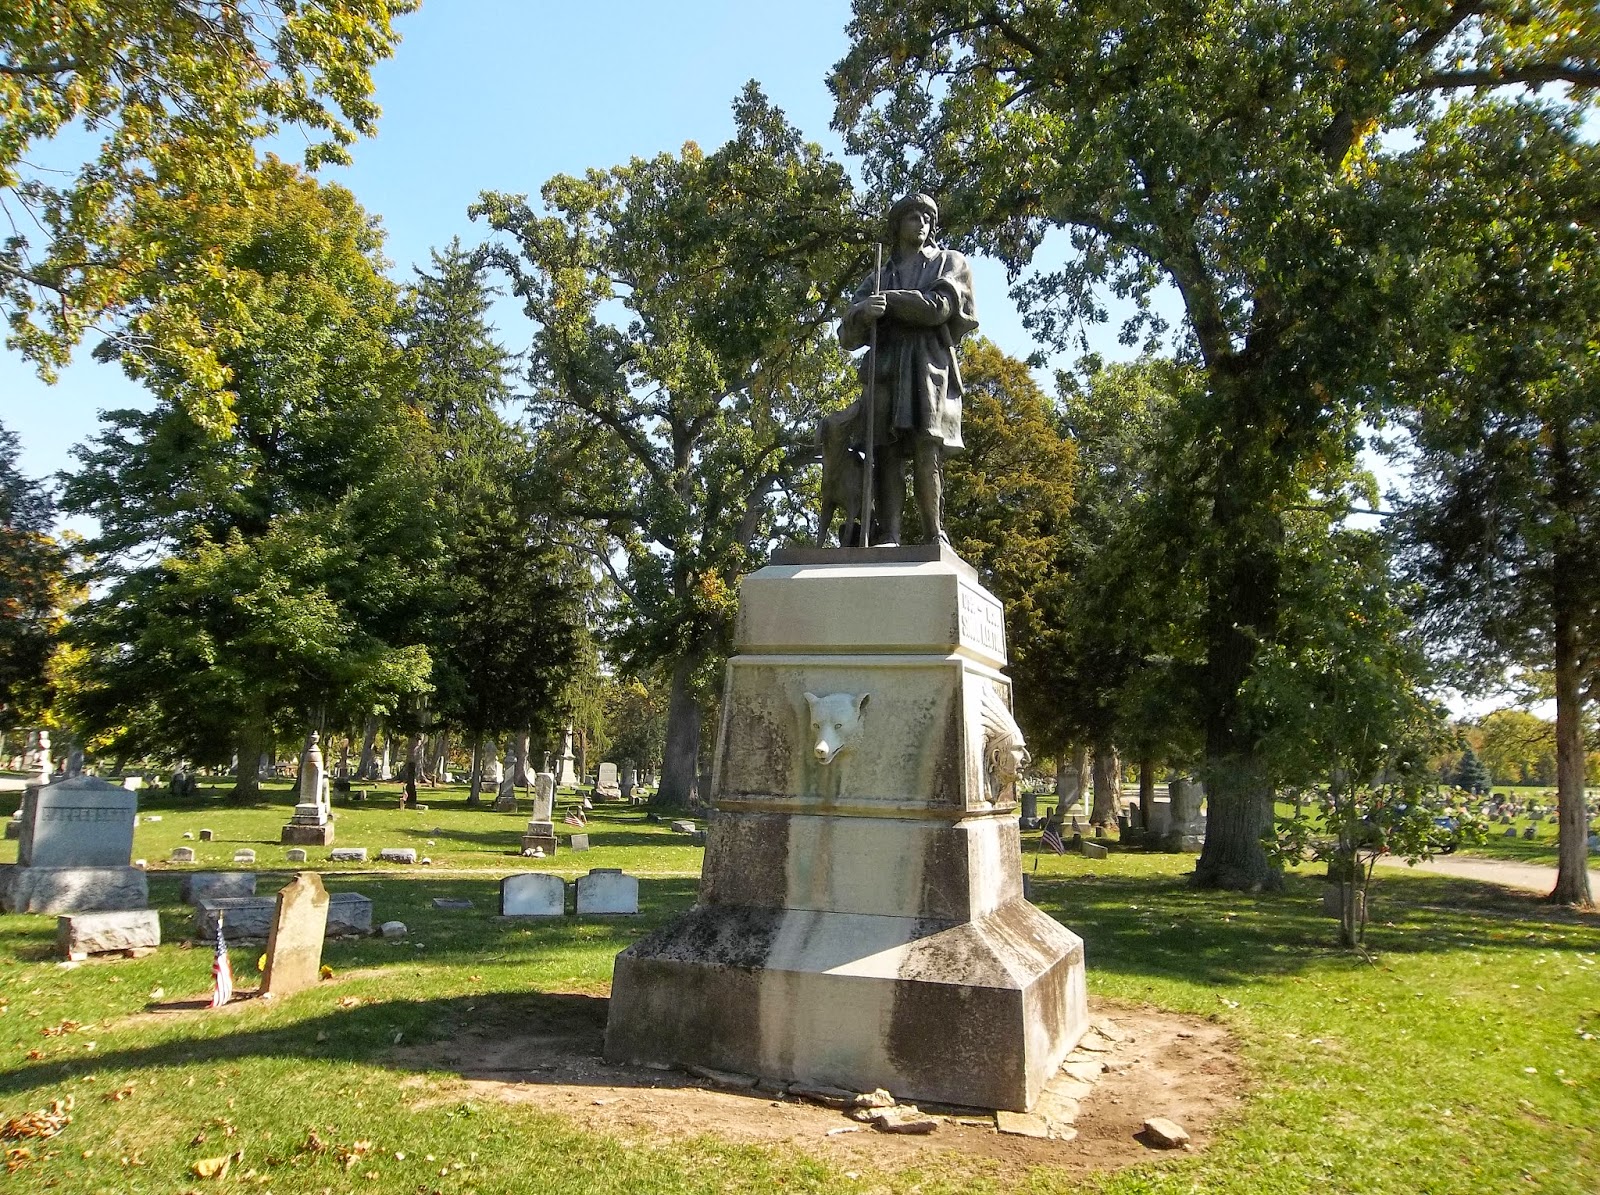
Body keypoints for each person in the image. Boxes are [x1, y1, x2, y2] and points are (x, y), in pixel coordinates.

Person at [837, 193, 978, 546]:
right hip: (885, 368)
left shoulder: (949, 262)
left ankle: (934, 533)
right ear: (898, 225)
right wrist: (863, 312)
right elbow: (846, 335)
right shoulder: (879, 276)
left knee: (926, 447)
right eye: (914, 217)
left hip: (927, 367)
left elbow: (937, 308)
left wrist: (890, 302)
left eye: (928, 218)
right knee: (885, 450)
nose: (922, 223)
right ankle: (890, 534)